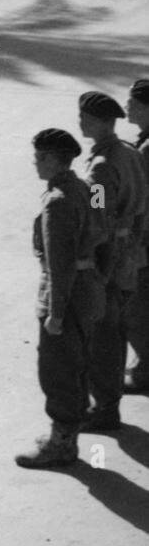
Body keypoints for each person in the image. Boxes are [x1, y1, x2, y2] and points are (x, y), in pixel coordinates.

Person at [15, 129, 104, 469]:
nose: (35, 163)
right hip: (89, 288)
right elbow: (102, 228)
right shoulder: (86, 187)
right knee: (79, 363)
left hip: (65, 295)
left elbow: (59, 264)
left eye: (39, 157)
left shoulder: (57, 202)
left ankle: (62, 443)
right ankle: (69, 434)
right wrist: (101, 277)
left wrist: (55, 313)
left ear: (52, 159)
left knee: (58, 370)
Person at [79, 90, 149, 432]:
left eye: (87, 119)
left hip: (108, 258)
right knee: (118, 328)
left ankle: (104, 408)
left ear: (103, 123)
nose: (81, 123)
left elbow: (96, 215)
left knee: (103, 336)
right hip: (130, 253)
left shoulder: (102, 167)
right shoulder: (130, 152)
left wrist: (93, 262)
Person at [124, 78, 149, 395]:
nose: (127, 106)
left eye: (132, 102)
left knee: (134, 311)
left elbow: (136, 198)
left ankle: (145, 370)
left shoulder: (141, 152)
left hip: (141, 240)